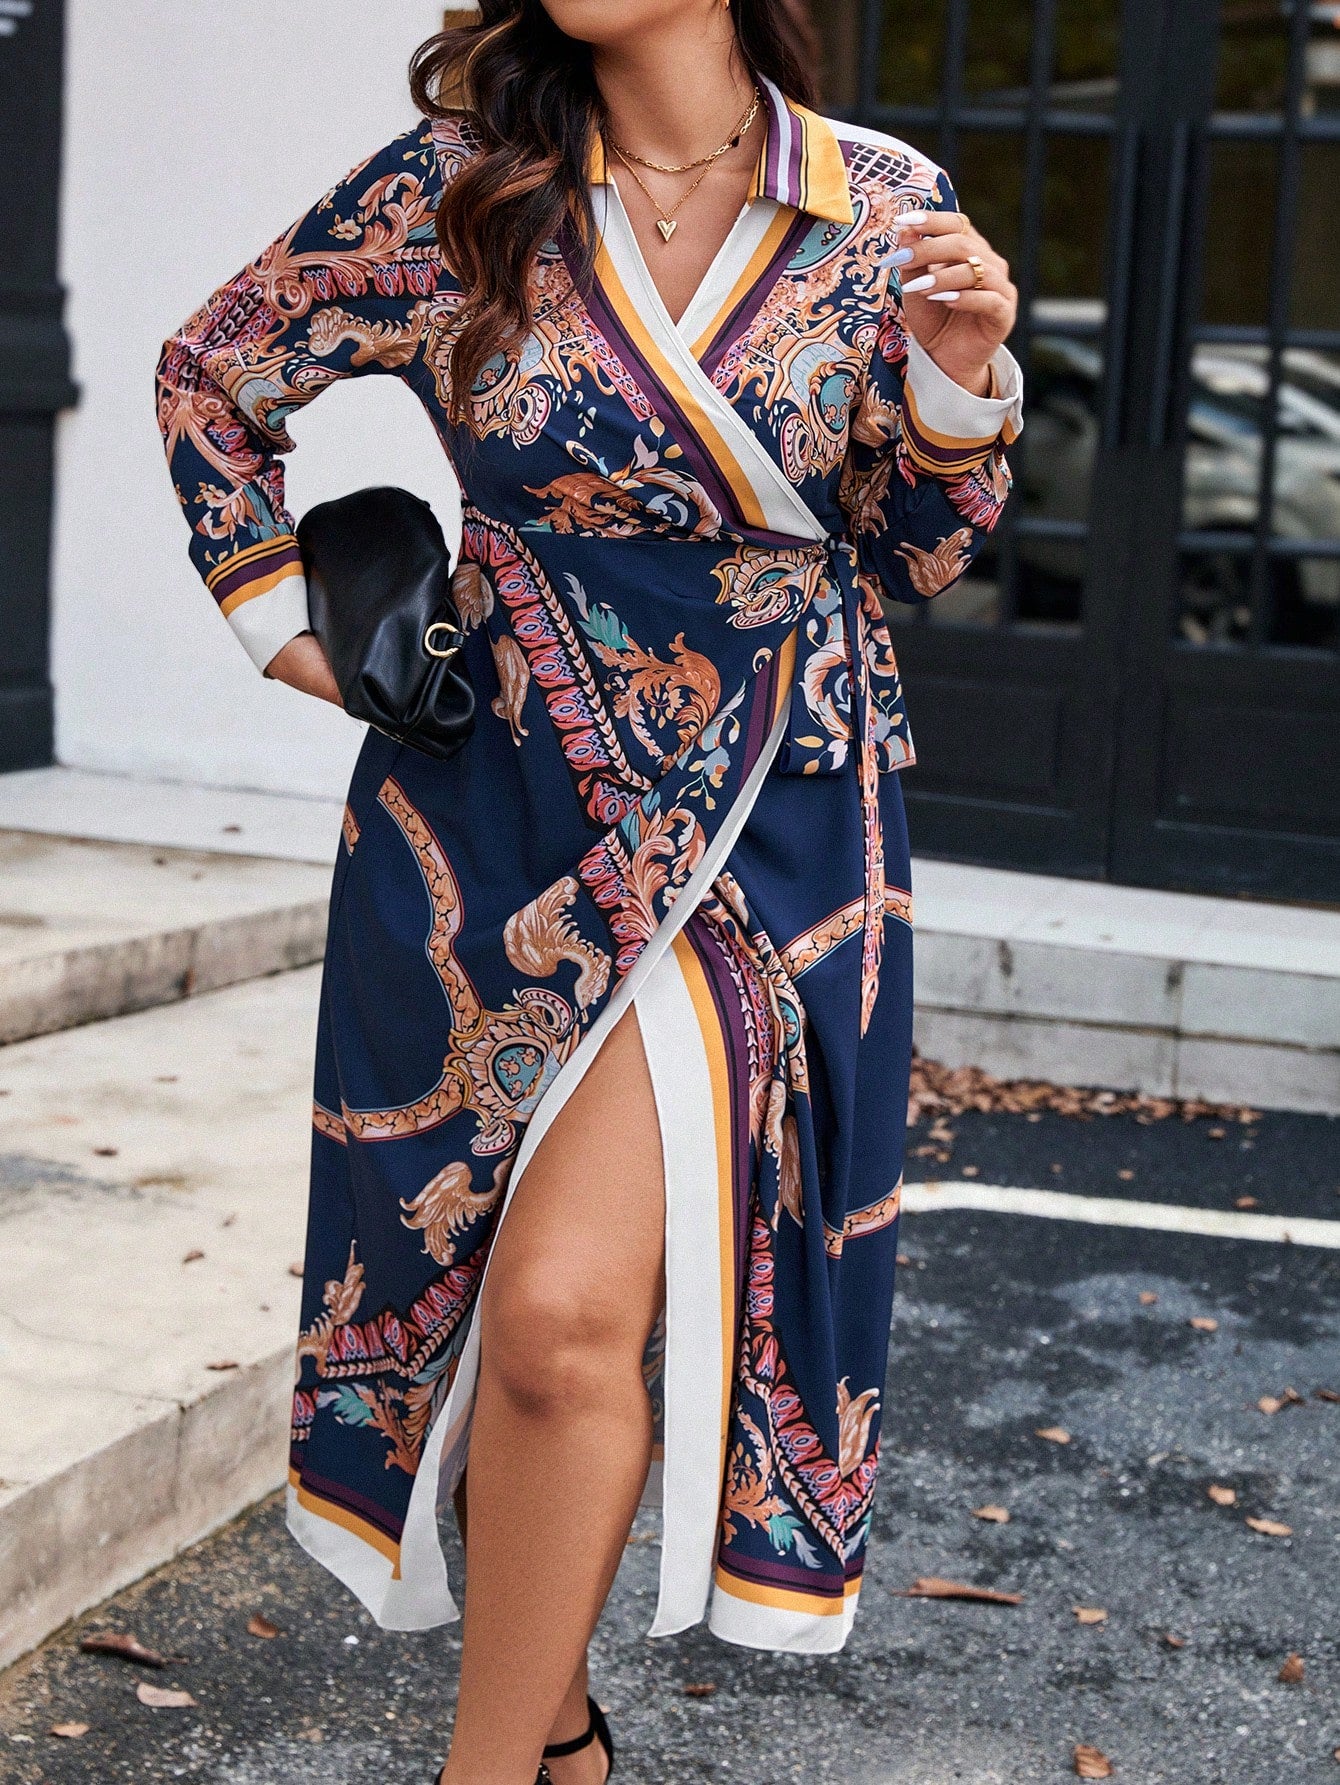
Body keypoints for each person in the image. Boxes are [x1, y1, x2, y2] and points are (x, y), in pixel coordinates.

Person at [156, 2, 1021, 1779]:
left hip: (764, 815)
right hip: (487, 808)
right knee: (493, 1319)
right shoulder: (467, 188)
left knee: (558, 1318)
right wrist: (285, 626)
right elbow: (211, 375)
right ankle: (556, 1739)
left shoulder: (879, 206)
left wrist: (955, 380)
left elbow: (922, 547)